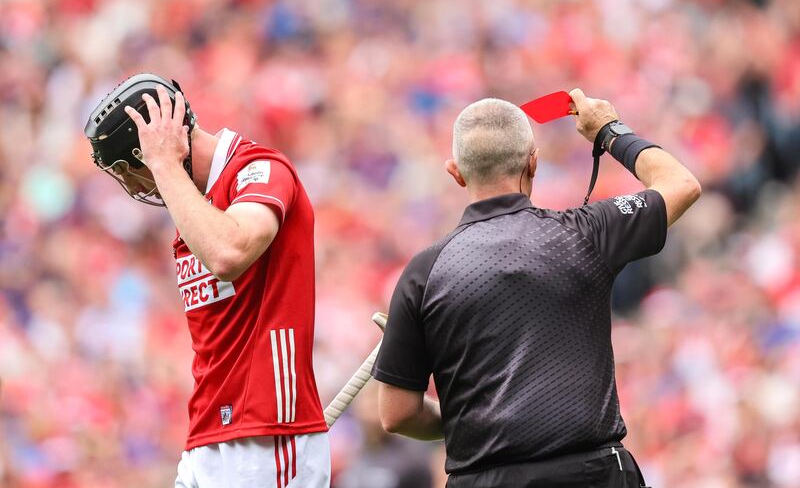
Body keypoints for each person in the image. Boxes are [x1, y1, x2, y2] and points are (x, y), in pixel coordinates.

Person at [371, 89, 701, 487]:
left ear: (455, 172)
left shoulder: (424, 274)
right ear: (533, 162)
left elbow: (398, 413)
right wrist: (608, 131)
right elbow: (680, 183)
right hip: (594, 473)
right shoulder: (584, 233)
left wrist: (474, 415)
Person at [84, 74, 330, 488]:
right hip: (209, 434)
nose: (137, 188)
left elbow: (228, 253)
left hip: (267, 433)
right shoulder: (198, 204)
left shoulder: (259, 169)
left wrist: (163, 165)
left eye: (132, 173)